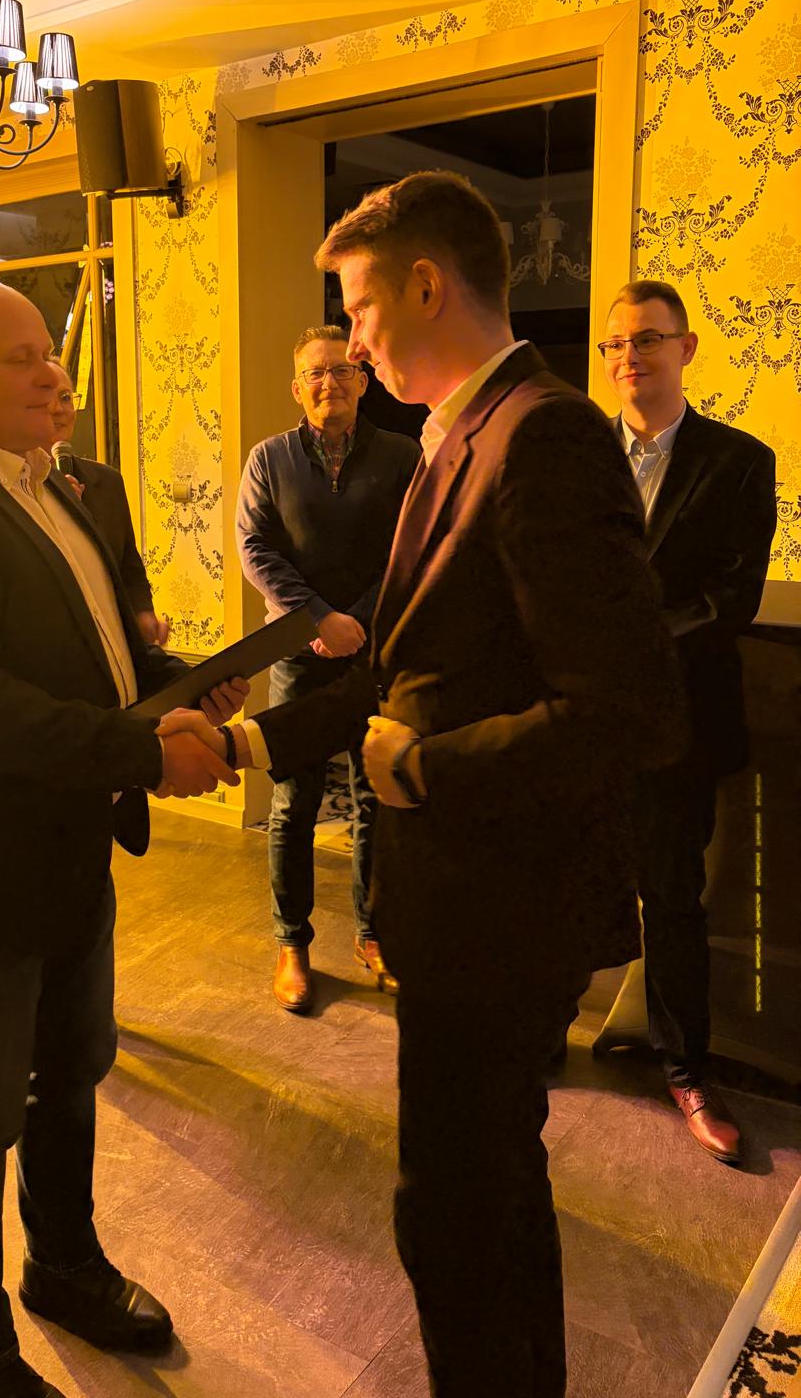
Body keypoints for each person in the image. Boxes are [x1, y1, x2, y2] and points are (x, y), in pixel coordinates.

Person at [164, 172, 685, 1398]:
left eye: (358, 308)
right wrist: (245, 745)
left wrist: (424, 767)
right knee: (480, 1197)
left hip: (506, 907)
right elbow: (403, 670)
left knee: (455, 1210)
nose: (351, 342)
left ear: (425, 285)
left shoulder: (543, 433)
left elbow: (630, 711)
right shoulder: (460, 430)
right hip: (462, 905)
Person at [0, 278, 245, 1398]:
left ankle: (64, 1265)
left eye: (48, 353)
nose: (50, 373)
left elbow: (97, 651)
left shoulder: (65, 485)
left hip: (70, 839)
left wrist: (181, 684)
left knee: (70, 1072)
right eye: (17, 358)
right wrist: (142, 755)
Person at [598, 279, 776, 1165]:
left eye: (648, 339)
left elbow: (734, 597)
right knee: (566, 877)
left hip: (677, 718)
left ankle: (685, 1068)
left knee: (671, 898)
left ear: (686, 348)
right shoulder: (575, 455)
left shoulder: (739, 460)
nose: (630, 356)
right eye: (617, 343)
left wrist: (632, 646)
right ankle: (548, 1029)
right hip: (576, 718)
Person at [236, 325, 419, 1011]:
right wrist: (317, 618)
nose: (329, 382)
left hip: (374, 654)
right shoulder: (269, 459)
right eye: (315, 372)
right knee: (293, 803)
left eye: (342, 370)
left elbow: (409, 548)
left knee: (376, 798)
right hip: (297, 654)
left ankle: (374, 934)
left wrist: (355, 622)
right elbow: (256, 548)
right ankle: (292, 944)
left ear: (363, 381)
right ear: (297, 387)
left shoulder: (402, 455)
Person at [45, 358, 169, 647]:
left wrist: (143, 614)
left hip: (115, 643)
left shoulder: (108, 481)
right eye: (46, 398)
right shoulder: (17, 488)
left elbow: (128, 564)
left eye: (66, 397)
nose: (58, 409)